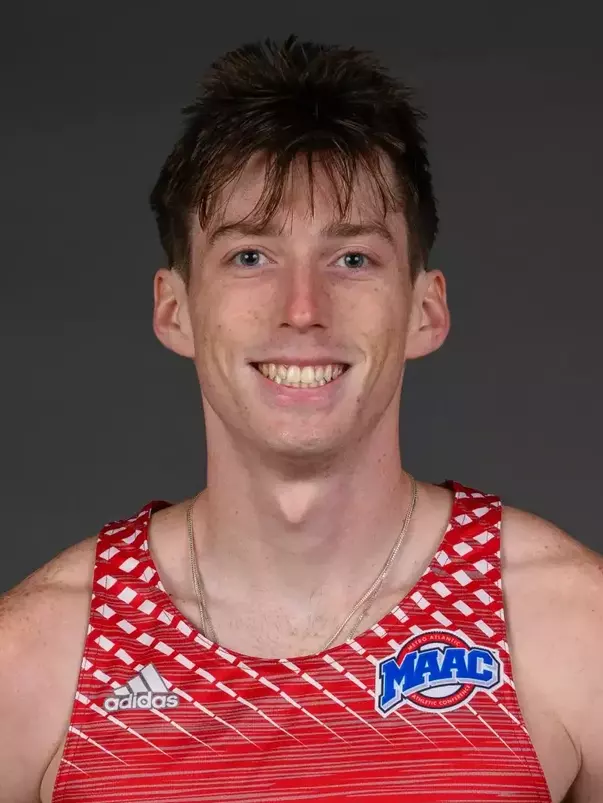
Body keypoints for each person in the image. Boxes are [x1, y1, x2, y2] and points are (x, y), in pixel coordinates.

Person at [1, 36, 601, 803]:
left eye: (352, 258)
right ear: (174, 309)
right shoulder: (37, 658)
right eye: (250, 256)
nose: (302, 310)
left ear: (425, 309)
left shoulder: (570, 626)